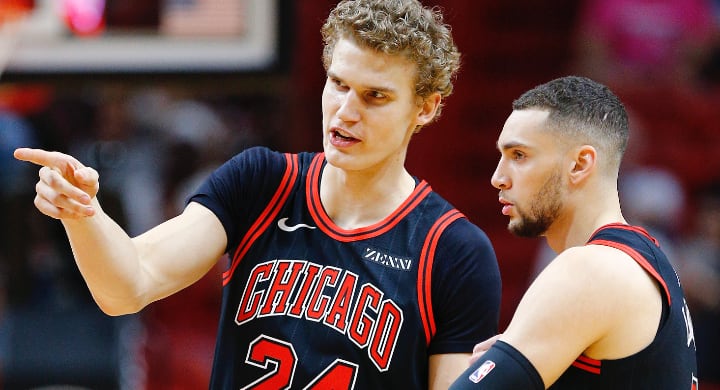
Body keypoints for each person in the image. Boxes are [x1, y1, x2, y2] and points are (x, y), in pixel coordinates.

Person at [13, 0, 503, 388]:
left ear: (425, 107)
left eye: (375, 96)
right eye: (338, 84)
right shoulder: (262, 181)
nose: (346, 112)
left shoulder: (453, 252)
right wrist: (84, 215)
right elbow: (128, 285)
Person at [450, 76, 697, 389]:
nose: (498, 178)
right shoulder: (646, 261)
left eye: (519, 156)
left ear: (580, 164)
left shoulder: (592, 269)